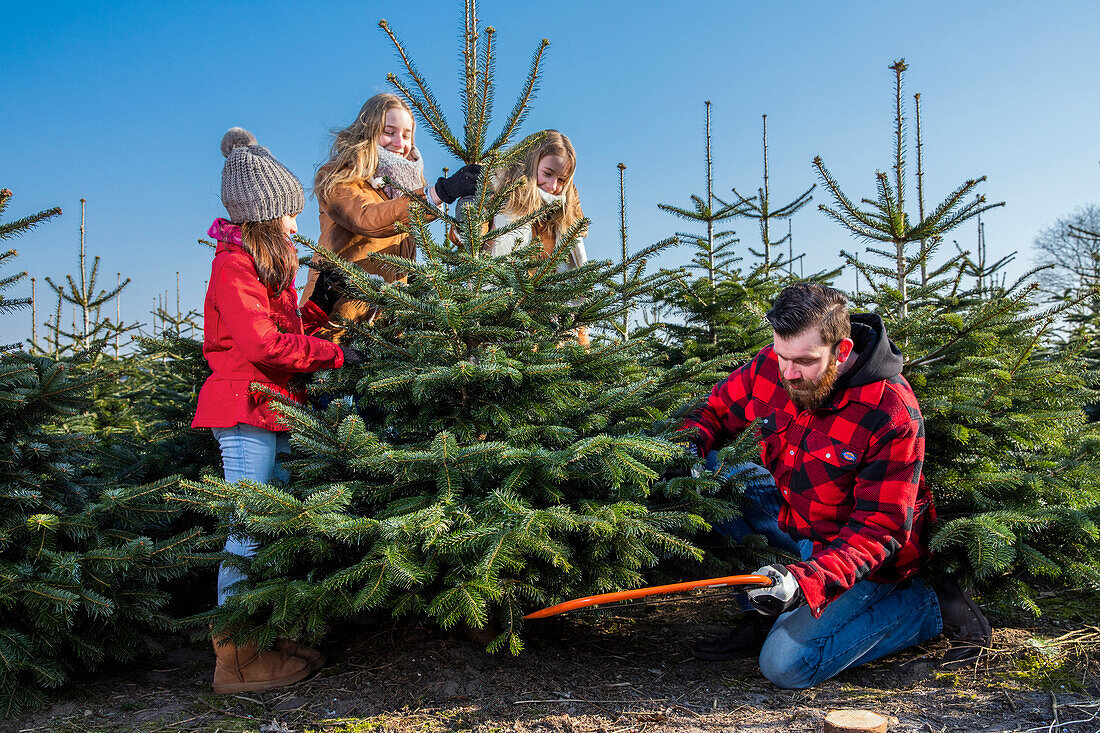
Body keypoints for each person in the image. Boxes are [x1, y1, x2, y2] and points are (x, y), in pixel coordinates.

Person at [681, 282, 991, 689]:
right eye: (781, 356)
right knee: (727, 474)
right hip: (800, 521)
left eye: (805, 362)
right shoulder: (774, 366)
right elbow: (715, 412)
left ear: (841, 352)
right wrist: (685, 449)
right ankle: (764, 614)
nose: (789, 373)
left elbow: (880, 530)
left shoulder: (891, 411)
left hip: (866, 560)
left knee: (785, 665)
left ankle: (927, 604)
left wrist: (806, 581)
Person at [193, 127, 365, 694]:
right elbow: (264, 345)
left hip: (275, 407)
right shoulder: (234, 266)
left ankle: (262, 635)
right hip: (244, 408)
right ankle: (236, 661)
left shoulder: (264, 267)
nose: (297, 226)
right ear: (265, 219)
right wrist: (337, 354)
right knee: (248, 530)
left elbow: (287, 327)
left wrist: (324, 308)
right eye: (289, 217)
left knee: (269, 527)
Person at [299, 93, 481, 342]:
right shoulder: (339, 177)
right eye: (389, 132)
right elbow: (368, 219)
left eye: (407, 135)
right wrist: (440, 192)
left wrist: (473, 215)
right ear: (368, 131)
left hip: (385, 329)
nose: (399, 143)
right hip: (336, 319)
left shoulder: (407, 188)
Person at [482, 129, 589, 345]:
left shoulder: (563, 215)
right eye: (548, 174)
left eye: (562, 180)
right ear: (531, 164)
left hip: (551, 330)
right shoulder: (502, 201)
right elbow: (467, 237)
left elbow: (574, 275)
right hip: (504, 321)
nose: (553, 186)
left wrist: (579, 331)